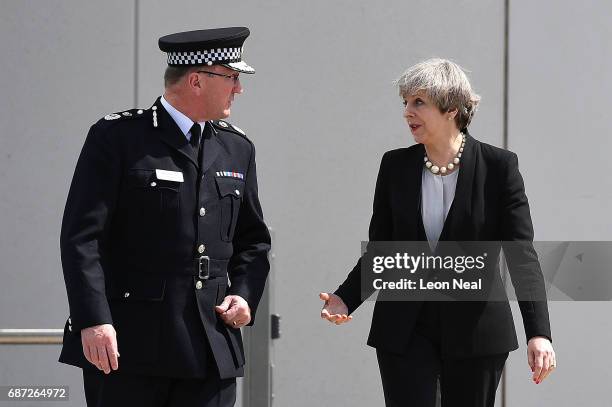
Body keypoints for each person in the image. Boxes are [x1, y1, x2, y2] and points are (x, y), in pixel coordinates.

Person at [319, 58, 556, 407]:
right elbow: (382, 249)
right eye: (405, 102)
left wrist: (539, 333)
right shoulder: (394, 166)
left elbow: (522, 255)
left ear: (451, 109)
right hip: (405, 328)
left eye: (419, 102)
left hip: (477, 332)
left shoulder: (499, 167)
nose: (407, 112)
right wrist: (345, 297)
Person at [59, 27, 270, 407]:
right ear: (196, 80)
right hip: (128, 346)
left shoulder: (237, 147)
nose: (239, 88)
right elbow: (82, 238)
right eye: (232, 77)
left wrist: (243, 294)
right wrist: (92, 319)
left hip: (210, 347)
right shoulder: (119, 138)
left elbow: (253, 241)